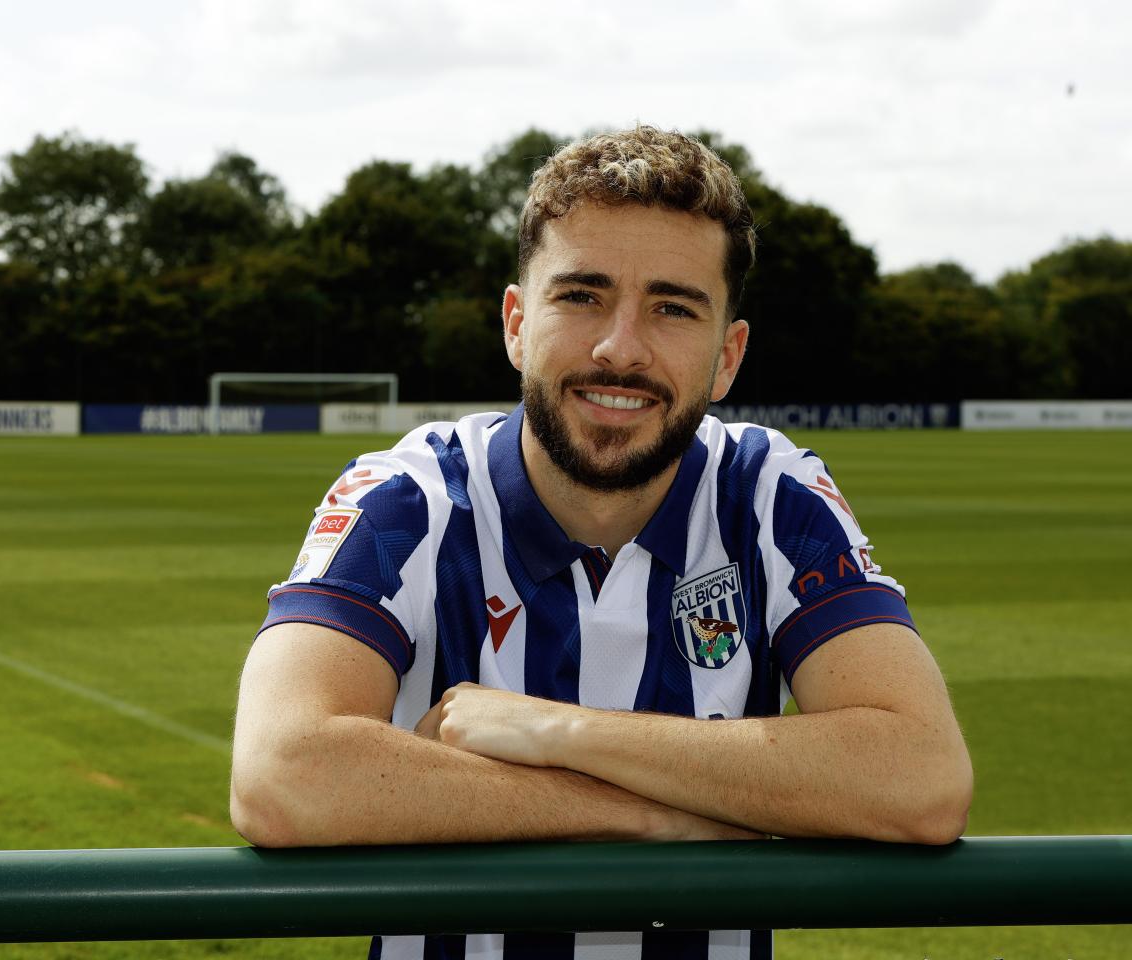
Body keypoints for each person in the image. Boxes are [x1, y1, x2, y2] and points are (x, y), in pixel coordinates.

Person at [231, 125, 973, 960]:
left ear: (728, 357)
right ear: (517, 324)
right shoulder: (408, 498)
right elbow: (283, 775)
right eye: (581, 295)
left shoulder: (770, 494)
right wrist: (655, 815)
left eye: (672, 307)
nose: (621, 347)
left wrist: (559, 733)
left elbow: (921, 778)